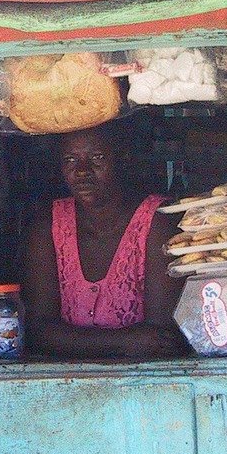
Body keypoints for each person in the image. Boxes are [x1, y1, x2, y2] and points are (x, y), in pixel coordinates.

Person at [22, 123, 186, 359]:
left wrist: (71, 342)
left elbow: (161, 339)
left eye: (97, 158)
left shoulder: (157, 221)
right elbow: (38, 332)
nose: (82, 171)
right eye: (70, 160)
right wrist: (125, 342)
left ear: (122, 159)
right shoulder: (48, 224)